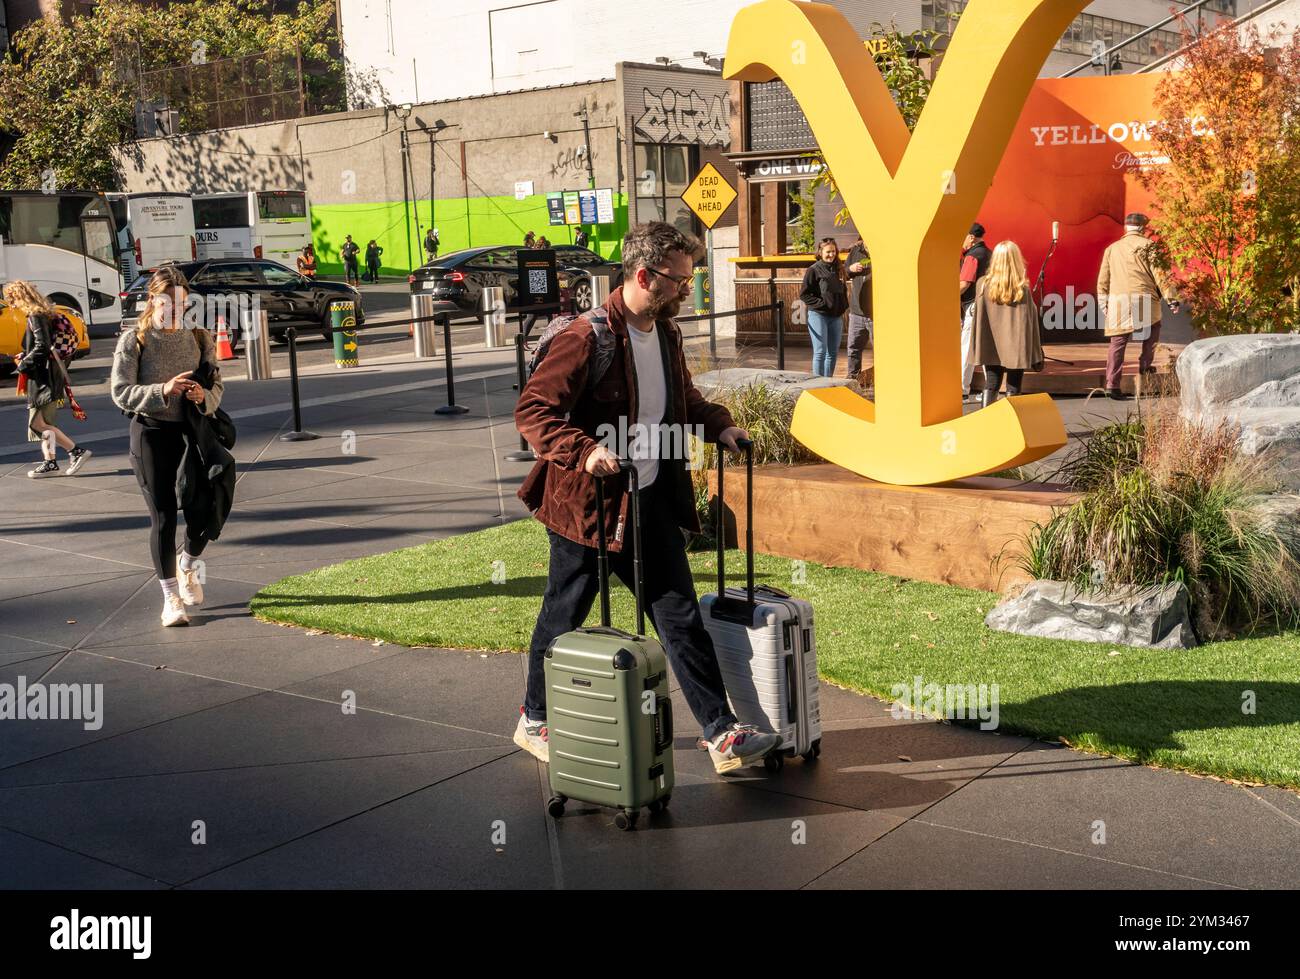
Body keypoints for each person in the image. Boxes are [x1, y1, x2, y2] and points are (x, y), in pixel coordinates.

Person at [513, 221, 780, 775]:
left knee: (679, 615)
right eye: (681, 280)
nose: (688, 288)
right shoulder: (586, 337)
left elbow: (680, 399)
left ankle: (720, 732)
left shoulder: (667, 334)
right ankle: (534, 718)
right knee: (563, 615)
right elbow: (533, 412)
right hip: (588, 509)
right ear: (644, 275)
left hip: (649, 499)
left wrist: (719, 425)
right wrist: (583, 450)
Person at [111, 266, 228, 628]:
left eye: (181, 303)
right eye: (167, 303)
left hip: (193, 432)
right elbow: (120, 393)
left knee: (208, 506)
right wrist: (162, 391)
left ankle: (188, 564)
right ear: (153, 300)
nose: (175, 310)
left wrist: (201, 395)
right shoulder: (135, 340)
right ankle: (171, 598)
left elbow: (217, 386)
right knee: (163, 516)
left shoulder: (199, 336)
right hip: (151, 433)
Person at [6, 281, 91, 478]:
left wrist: (23, 364)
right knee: (45, 422)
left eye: (12, 301)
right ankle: (50, 462)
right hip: (49, 375)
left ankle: (76, 451)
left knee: (37, 424)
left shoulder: (35, 315)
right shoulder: (43, 312)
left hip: (43, 379)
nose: (12, 306)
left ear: (20, 297)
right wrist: (25, 354)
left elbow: (42, 347)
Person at [1098, 212, 1180, 400]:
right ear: (1143, 228)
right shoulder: (1150, 246)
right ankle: (1145, 367)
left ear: (1126, 228)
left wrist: (1104, 304)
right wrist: (1171, 299)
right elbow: (1161, 275)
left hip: (1118, 301)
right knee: (1152, 330)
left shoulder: (1112, 249)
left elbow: (1103, 279)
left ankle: (1112, 385)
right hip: (1145, 299)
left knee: (1117, 343)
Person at [971, 240, 1044, 409]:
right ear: (1016, 260)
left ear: (995, 259)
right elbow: (1029, 323)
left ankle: (986, 421)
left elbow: (979, 320)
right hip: (1015, 346)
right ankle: (1013, 425)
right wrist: (1034, 349)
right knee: (1013, 385)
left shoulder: (982, 284)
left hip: (991, 344)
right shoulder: (1021, 288)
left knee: (991, 382)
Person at [799, 237, 849, 377]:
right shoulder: (813, 270)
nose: (831, 254)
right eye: (828, 252)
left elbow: (842, 290)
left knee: (832, 353)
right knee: (820, 351)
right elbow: (804, 294)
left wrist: (843, 306)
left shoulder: (838, 268)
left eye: (833, 251)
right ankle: (817, 384)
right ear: (820, 252)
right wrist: (823, 304)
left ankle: (828, 383)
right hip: (818, 316)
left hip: (836, 317)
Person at [959, 222, 992, 401]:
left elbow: (964, 284)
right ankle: (990, 389)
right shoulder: (991, 253)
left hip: (974, 306)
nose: (961, 241)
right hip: (991, 306)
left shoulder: (972, 256)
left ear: (971, 237)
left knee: (966, 346)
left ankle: (962, 389)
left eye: (963, 236)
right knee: (987, 348)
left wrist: (944, 297)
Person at [845, 234, 873, 380]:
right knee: (853, 349)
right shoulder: (856, 250)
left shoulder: (883, 250)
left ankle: (883, 382)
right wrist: (851, 268)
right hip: (856, 312)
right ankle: (852, 381)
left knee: (882, 351)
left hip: (876, 313)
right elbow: (844, 272)